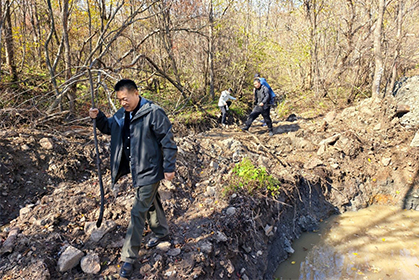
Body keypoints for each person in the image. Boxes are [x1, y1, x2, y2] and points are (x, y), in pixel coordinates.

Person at [88, 79, 177, 278]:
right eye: (119, 100)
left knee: (137, 211)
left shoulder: (153, 112)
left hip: (151, 169)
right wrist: (99, 117)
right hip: (137, 170)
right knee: (152, 201)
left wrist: (169, 167)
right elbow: (110, 127)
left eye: (125, 99)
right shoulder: (123, 113)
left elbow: (168, 140)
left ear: (136, 93)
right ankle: (163, 234)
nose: (122, 103)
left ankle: (128, 258)